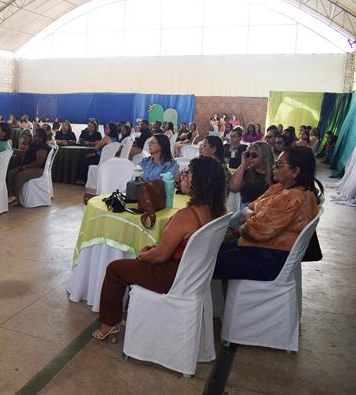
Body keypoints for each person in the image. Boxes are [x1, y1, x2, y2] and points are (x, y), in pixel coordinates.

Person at [93, 156, 228, 340]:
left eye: (188, 174)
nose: (182, 176)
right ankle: (130, 312)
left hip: (174, 276)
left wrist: (142, 256)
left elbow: (160, 256)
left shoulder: (187, 215)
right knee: (137, 262)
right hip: (194, 274)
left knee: (115, 269)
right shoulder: (216, 210)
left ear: (200, 182)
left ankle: (108, 325)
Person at [214, 147, 321, 281]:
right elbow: (251, 206)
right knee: (210, 252)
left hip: (269, 259)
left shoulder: (292, 198)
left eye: (279, 164)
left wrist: (248, 218)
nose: (273, 167)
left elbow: (254, 231)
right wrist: (252, 216)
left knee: (203, 262)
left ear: (295, 171)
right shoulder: (280, 188)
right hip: (261, 250)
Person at [228, 141, 274, 227]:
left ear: (264, 157)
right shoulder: (247, 172)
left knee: (232, 222)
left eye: (254, 155)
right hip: (245, 210)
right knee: (231, 222)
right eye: (248, 154)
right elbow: (234, 188)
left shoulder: (274, 174)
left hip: (266, 211)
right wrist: (243, 164)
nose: (250, 158)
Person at [6, 128, 51, 206]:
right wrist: (11, 149)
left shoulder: (43, 147)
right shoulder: (33, 144)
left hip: (37, 169)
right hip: (27, 166)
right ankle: (12, 195)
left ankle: (17, 198)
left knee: (19, 176)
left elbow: (39, 162)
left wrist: (24, 167)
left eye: (35, 135)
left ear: (41, 137)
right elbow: (23, 153)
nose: (33, 136)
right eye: (34, 135)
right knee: (10, 174)